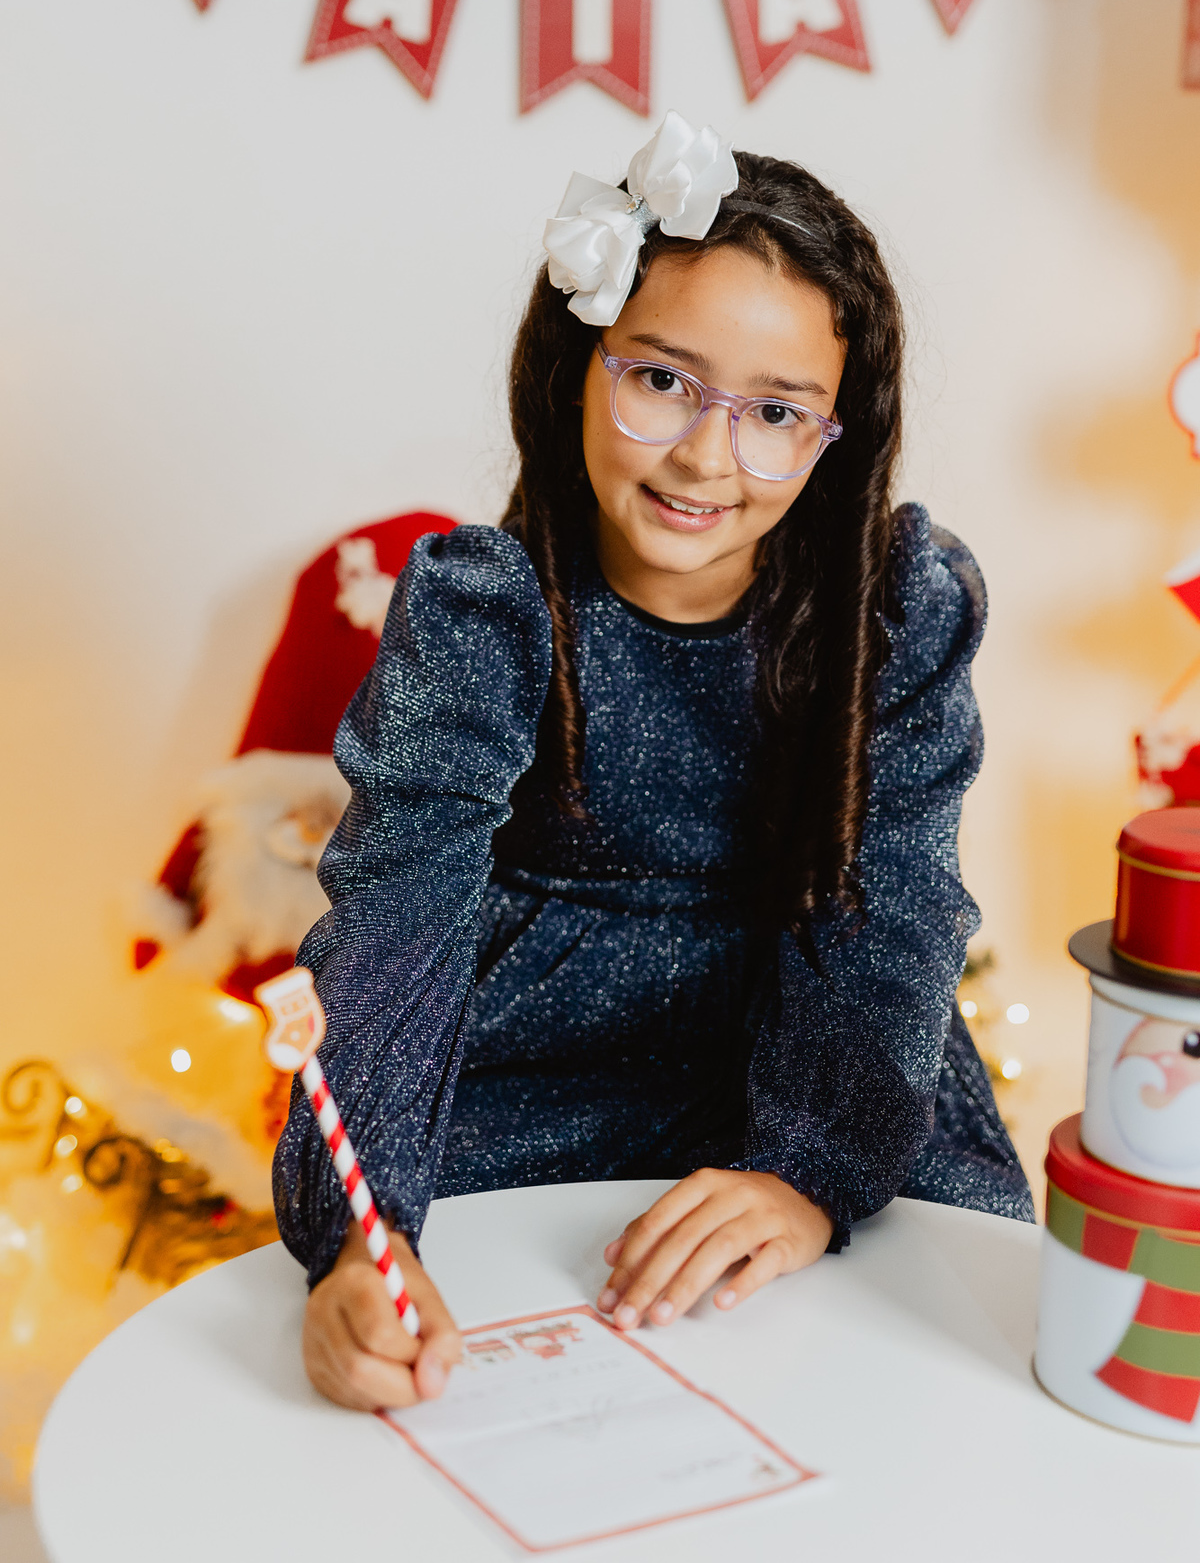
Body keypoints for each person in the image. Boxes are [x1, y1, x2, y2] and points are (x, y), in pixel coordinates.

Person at [275, 112, 1033, 1413]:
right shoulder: (485, 611)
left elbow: (893, 912)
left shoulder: (891, 612)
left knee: (939, 1376)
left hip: (820, 1070)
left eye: (776, 412)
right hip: (531, 1087)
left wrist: (807, 1174)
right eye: (664, 381)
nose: (704, 455)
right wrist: (366, 1230)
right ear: (577, 366)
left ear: (835, 434)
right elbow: (398, 926)